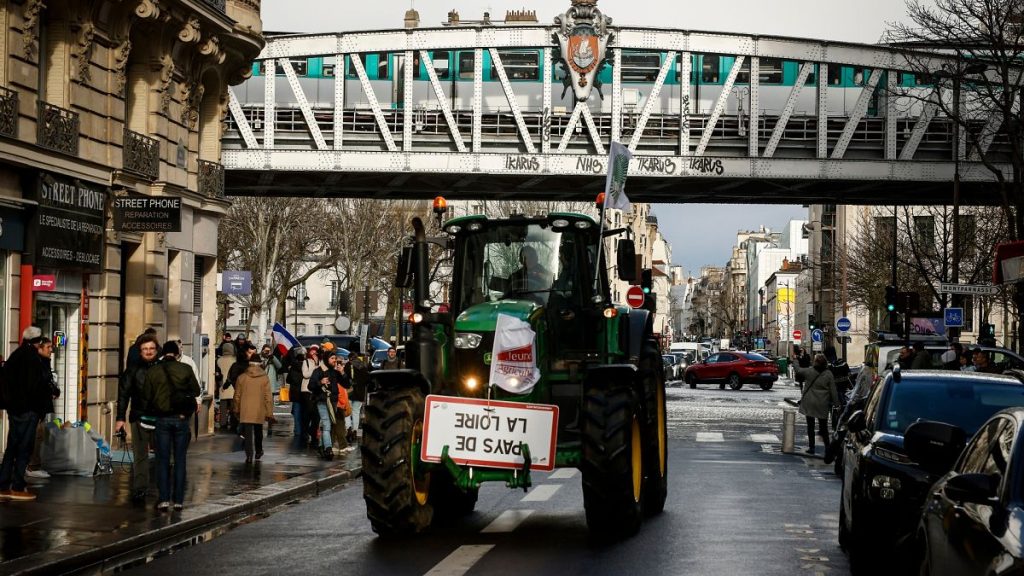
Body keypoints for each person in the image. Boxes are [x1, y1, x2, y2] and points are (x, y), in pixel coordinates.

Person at [139, 341, 201, 511]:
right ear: (176, 354)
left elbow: (146, 396)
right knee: (180, 460)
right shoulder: (185, 369)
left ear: (162, 354)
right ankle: (179, 500)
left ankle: (164, 498)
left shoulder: (153, 371)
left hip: (162, 419)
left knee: (163, 460)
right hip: (181, 419)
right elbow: (196, 391)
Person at [0, 328, 53, 501]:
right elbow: (35, 385)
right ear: (36, 342)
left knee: (12, 447)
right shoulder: (32, 359)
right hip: (27, 410)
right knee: (24, 448)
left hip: (14, 409)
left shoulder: (16, 355)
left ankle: (3, 484)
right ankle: (17, 485)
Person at [115, 332, 160, 503]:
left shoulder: (163, 368)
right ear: (140, 351)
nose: (148, 352)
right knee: (140, 455)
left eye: (151, 348)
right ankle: (140, 489)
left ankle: (163, 490)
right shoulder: (133, 371)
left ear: (157, 350)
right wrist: (120, 419)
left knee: (163, 455)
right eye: (145, 349)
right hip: (139, 417)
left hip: (160, 418)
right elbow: (123, 395)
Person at [233, 349, 274, 463]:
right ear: (260, 364)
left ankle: (249, 455)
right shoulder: (264, 378)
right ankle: (259, 451)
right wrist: (269, 413)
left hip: (245, 409)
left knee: (247, 433)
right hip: (259, 409)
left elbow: (237, 395)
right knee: (258, 431)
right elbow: (268, 397)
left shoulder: (242, 377)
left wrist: (236, 409)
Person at [796, 353, 838, 456]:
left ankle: (812, 447)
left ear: (815, 362)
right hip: (822, 403)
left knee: (810, 426)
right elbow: (833, 391)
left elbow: (798, 370)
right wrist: (837, 404)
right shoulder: (828, 374)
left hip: (810, 402)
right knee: (823, 427)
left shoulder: (810, 371)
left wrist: (795, 360)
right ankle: (827, 448)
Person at [308, 351, 341, 460]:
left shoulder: (334, 372)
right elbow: (310, 385)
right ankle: (328, 448)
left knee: (328, 423)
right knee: (327, 424)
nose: (334, 360)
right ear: (327, 359)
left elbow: (347, 383)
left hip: (333, 401)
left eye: (335, 358)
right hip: (322, 400)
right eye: (332, 358)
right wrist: (320, 382)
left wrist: (343, 373)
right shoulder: (318, 371)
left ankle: (321, 446)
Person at [300, 345, 321, 448]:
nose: (313, 355)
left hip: (316, 390)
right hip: (306, 390)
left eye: (315, 353)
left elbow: (321, 374)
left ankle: (313, 435)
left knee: (316, 415)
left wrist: (317, 364)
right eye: (312, 353)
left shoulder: (319, 362)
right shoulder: (306, 362)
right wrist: (315, 367)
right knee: (308, 412)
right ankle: (305, 432)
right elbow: (305, 374)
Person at [285, 346, 306, 441]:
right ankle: (304, 430)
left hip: (295, 393)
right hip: (304, 393)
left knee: (296, 413)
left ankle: (297, 431)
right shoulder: (306, 368)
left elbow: (288, 380)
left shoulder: (293, 368)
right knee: (304, 413)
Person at [216, 341, 237, 431]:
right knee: (233, 407)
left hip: (222, 386)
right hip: (232, 386)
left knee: (223, 407)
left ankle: (223, 423)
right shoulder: (235, 360)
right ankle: (233, 423)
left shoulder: (219, 360)